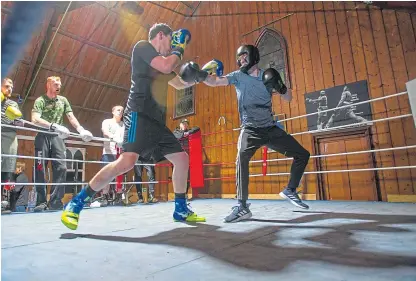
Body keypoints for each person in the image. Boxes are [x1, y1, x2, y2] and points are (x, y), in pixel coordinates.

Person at [61, 23, 206, 231]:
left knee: (182, 159)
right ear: (161, 36)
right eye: (171, 41)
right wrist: (180, 48)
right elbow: (166, 65)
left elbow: (181, 83)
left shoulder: (162, 65)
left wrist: (199, 75)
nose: (172, 46)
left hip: (157, 122)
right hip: (138, 114)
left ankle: (180, 208)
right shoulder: (143, 47)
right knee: (126, 163)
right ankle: (76, 202)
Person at [178, 44, 311, 223]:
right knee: (241, 158)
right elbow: (215, 81)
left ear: (254, 56)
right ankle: (242, 207)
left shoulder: (267, 76)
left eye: (243, 55)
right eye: (238, 57)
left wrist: (280, 86)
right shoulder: (238, 76)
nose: (240, 59)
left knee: (303, 154)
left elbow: (288, 98)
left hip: (270, 128)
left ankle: (290, 190)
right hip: (250, 129)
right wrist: (200, 75)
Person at [31, 76, 93, 212]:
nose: (58, 86)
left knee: (62, 167)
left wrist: (81, 129)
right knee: (40, 168)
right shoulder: (40, 100)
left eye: (59, 84)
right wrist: (52, 125)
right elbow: (35, 118)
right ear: (48, 85)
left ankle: (55, 201)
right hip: (43, 135)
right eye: (55, 84)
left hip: (58, 137)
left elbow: (71, 116)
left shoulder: (63, 100)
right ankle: (40, 201)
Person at [98, 105, 124, 206]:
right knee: (107, 175)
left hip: (120, 152)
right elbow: (105, 131)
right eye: (118, 110)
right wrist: (113, 137)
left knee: (119, 175)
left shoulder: (124, 125)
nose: (120, 112)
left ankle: (118, 195)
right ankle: (104, 196)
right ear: (113, 111)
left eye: (122, 111)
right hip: (109, 151)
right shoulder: (107, 121)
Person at [1, 78, 22, 199]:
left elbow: (19, 122)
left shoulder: (12, 104)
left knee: (6, 170)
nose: (10, 89)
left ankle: (3, 200)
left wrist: (16, 118)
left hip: (9, 138)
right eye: (7, 86)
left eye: (11, 87)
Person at [173, 118, 200, 198]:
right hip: (178, 157)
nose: (185, 125)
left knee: (186, 175)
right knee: (177, 176)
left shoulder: (188, 131)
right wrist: (183, 134)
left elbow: (197, 128)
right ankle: (178, 194)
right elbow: (176, 135)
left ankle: (185, 193)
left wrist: (188, 132)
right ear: (180, 125)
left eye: (186, 123)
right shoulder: (176, 131)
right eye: (183, 123)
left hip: (187, 157)